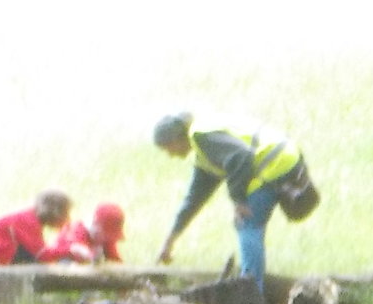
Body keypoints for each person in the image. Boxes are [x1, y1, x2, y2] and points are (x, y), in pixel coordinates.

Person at [151, 112, 311, 293]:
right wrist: (169, 242)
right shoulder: (205, 151)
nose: (169, 155)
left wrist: (238, 200)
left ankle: (251, 294)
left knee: (246, 223)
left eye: (167, 148)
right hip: (282, 157)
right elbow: (193, 201)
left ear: (176, 139)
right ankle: (252, 285)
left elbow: (241, 156)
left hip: (275, 163)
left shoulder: (202, 137)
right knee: (248, 224)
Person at [0, 191, 72, 266]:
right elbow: (41, 255)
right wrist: (70, 251)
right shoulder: (28, 221)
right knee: (40, 262)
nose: (67, 218)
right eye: (65, 213)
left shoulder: (30, 217)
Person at [45, 203, 126, 265]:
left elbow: (114, 258)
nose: (107, 239)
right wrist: (90, 256)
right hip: (66, 262)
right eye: (106, 235)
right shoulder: (77, 231)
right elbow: (79, 251)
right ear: (95, 224)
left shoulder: (105, 239)